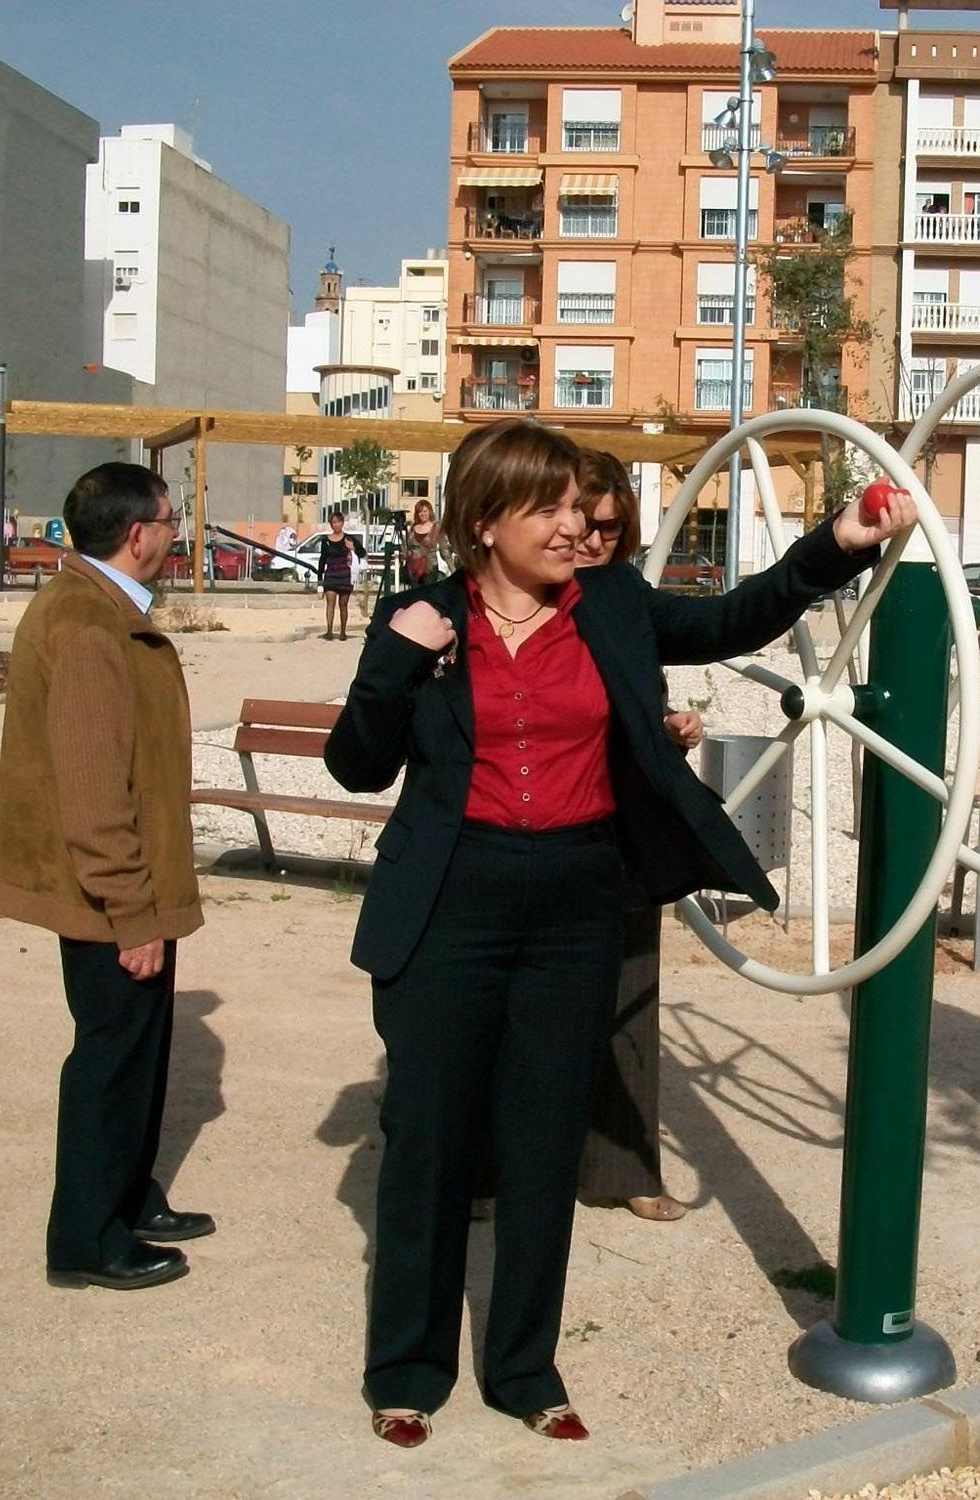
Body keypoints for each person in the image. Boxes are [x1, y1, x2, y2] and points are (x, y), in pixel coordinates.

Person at [324, 418, 910, 1448]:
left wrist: (840, 543)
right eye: (546, 508)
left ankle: (522, 1369)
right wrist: (391, 667)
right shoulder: (416, 615)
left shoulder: (611, 605)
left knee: (545, 1136)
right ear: (481, 519)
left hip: (573, 901)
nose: (574, 526)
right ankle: (407, 1370)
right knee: (427, 1140)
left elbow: (736, 617)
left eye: (575, 507)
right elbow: (359, 767)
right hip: (449, 903)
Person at [0, 462, 212, 1292]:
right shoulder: (89, 625)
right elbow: (90, 789)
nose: (177, 531)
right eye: (170, 518)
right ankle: (86, 1236)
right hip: (110, 895)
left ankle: (128, 1194)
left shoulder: (103, 606)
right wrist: (131, 910)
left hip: (129, 886)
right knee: (111, 1058)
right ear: (138, 534)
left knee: (138, 1050)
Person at [571, 449, 701, 1224]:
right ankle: (484, 1171)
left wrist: (667, 728)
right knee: (515, 1006)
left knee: (631, 997)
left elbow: (635, 696)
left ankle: (623, 1169)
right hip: (539, 828)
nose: (591, 544)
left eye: (609, 531)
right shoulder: (516, 600)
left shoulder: (628, 600)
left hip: (621, 826)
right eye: (582, 526)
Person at [317, 510, 363, 640]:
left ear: (342, 523)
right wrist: (319, 580)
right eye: (333, 522)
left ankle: (343, 632)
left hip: (345, 575)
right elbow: (322, 559)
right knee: (330, 603)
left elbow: (362, 552)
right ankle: (329, 631)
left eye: (338, 522)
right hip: (331, 574)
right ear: (331, 524)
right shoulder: (325, 540)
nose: (336, 524)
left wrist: (353, 547)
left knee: (343, 605)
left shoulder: (349, 538)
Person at [403, 498, 443, 586]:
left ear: (430, 512)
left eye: (425, 511)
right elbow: (408, 547)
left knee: (428, 595)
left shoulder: (436, 527)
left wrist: (452, 569)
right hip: (414, 568)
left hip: (430, 567)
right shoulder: (413, 527)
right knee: (415, 596)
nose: (423, 514)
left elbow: (444, 548)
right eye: (420, 512)